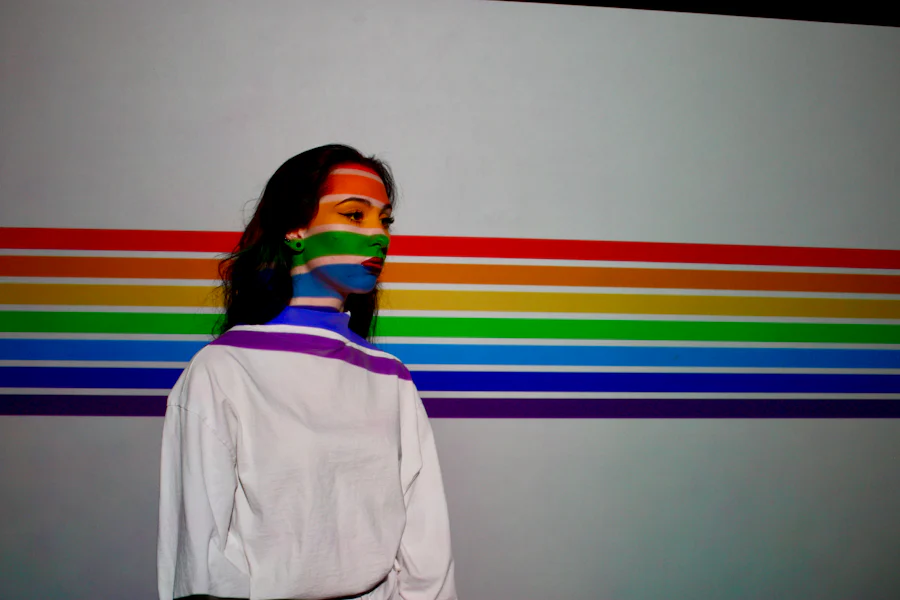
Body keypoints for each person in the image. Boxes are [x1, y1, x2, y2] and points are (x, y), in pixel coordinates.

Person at [157, 144, 457, 600]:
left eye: (385, 220)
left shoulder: (390, 377)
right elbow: (200, 556)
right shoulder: (224, 369)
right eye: (356, 215)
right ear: (295, 228)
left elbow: (426, 546)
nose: (379, 236)